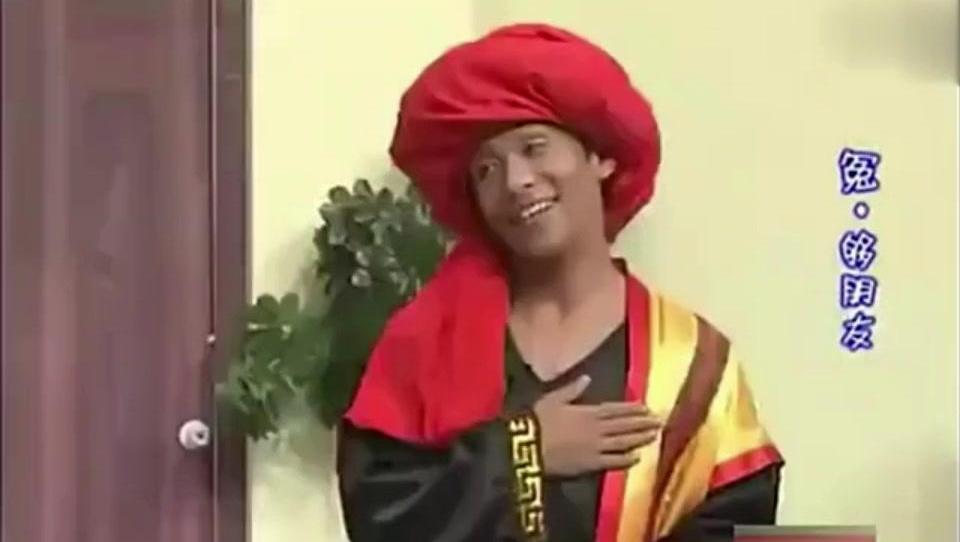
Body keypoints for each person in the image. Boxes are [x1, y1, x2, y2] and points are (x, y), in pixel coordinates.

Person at [337, 23, 784, 542]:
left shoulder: (696, 363)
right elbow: (379, 509)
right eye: (486, 170)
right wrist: (522, 451)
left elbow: (737, 521)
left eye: (535, 147)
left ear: (600, 157)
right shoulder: (425, 344)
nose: (516, 181)